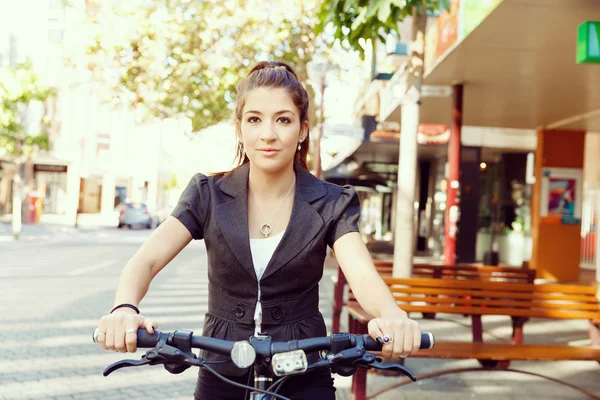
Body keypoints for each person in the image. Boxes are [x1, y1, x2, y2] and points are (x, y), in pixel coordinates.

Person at [94, 61, 422, 400]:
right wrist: (124, 309)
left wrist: (392, 316)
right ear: (240, 129)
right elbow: (145, 261)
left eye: (283, 119)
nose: (268, 133)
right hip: (221, 365)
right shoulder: (207, 194)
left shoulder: (331, 202)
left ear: (303, 130)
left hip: (304, 365)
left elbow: (363, 276)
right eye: (254, 119)